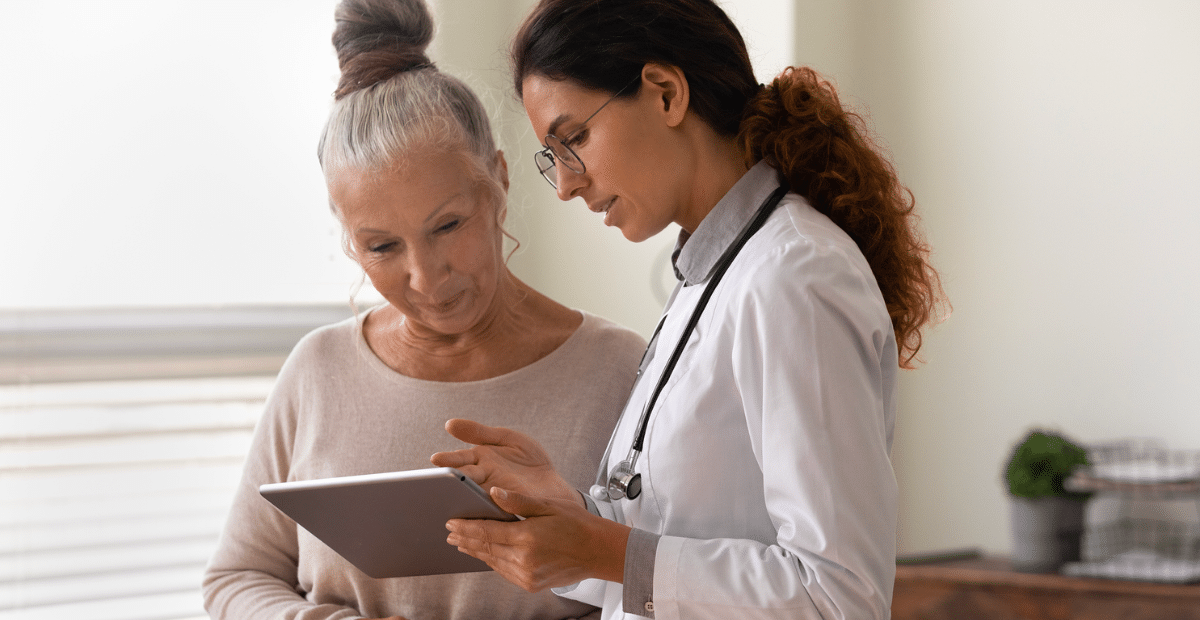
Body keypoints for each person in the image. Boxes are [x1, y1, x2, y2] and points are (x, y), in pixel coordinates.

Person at [430, 1, 945, 619]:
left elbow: (838, 597)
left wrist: (606, 551)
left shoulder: (793, 275)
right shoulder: (715, 272)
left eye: (574, 139)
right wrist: (570, 518)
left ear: (666, 94)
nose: (566, 184)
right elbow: (683, 533)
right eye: (554, 157)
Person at [201, 1, 646, 618]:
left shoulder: (623, 370)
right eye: (382, 246)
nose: (425, 277)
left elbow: (669, 580)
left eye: (447, 225)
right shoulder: (318, 370)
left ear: (499, 181)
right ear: (348, 237)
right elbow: (236, 578)